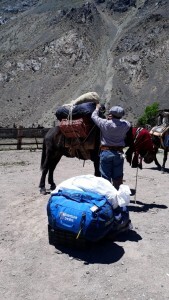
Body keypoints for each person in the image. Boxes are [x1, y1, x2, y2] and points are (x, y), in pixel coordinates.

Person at [91, 104, 131, 190]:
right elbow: (126, 123)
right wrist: (117, 119)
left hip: (106, 152)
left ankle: (108, 197)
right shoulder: (125, 125)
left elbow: (93, 116)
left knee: (105, 176)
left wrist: (97, 108)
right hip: (119, 153)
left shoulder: (104, 123)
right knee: (118, 177)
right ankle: (117, 196)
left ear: (111, 114)